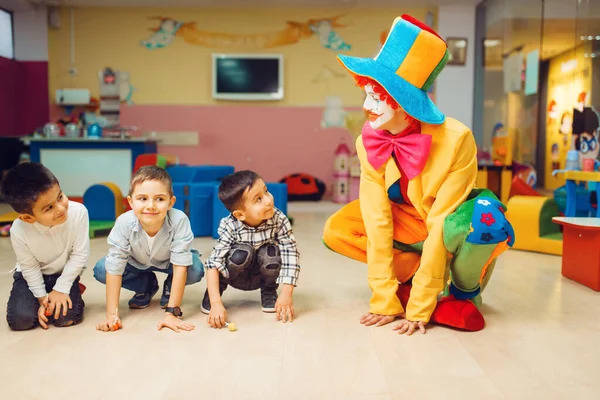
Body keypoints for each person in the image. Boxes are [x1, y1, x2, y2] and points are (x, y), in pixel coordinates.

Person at [323, 15, 514, 335]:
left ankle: (463, 292)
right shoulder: (368, 140)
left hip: (452, 224)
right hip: (409, 225)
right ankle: (406, 285)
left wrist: (421, 306)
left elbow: (441, 219)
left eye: (377, 95)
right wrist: (383, 298)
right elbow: (376, 218)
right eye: (366, 94)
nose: (367, 106)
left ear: (403, 101)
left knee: (484, 220)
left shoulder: (457, 138)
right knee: (337, 229)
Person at [93, 166, 204, 333]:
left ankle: (169, 286)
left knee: (195, 269)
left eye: (159, 199)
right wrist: (111, 315)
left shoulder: (179, 220)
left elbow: (181, 266)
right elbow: (115, 265)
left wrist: (171, 313)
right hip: (136, 263)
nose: (150, 206)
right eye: (142, 198)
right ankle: (145, 285)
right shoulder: (124, 223)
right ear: (130, 202)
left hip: (170, 263)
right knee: (102, 269)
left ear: (171, 202)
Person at [202, 170, 299, 328]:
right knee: (242, 251)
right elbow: (213, 263)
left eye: (266, 191)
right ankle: (216, 290)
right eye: (258, 199)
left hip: (260, 275)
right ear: (240, 214)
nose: (268, 201)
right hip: (235, 275)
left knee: (271, 252)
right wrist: (216, 303)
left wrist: (287, 293)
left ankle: (268, 291)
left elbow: (291, 254)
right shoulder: (230, 225)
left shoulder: (279, 219)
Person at [1, 162, 89, 331]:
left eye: (60, 196)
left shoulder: (78, 213)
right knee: (21, 321)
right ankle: (45, 297)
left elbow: (79, 255)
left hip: (63, 273)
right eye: (49, 208)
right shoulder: (19, 230)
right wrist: (42, 299)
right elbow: (29, 267)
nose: (61, 209)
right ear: (28, 218)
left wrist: (62, 288)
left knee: (65, 319)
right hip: (30, 276)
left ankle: (73, 290)